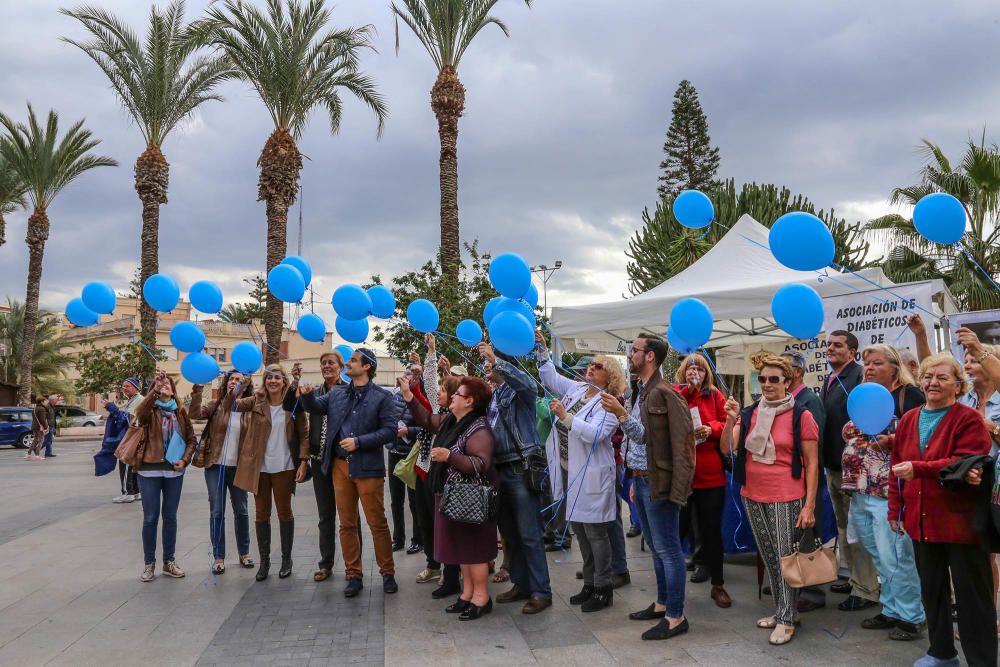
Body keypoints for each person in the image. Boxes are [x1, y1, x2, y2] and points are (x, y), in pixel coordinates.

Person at [889, 353, 996, 667]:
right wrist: (895, 509)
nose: (932, 383)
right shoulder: (909, 418)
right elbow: (897, 465)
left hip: (961, 525)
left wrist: (920, 468)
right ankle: (941, 653)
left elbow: (967, 461)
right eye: (927, 377)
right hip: (921, 523)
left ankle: (982, 661)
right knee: (932, 593)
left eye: (941, 377)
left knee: (973, 601)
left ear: (958, 385)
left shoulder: (968, 419)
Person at [723, 354, 820, 646]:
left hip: (786, 495)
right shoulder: (750, 414)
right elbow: (727, 447)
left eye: (774, 379)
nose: (766, 384)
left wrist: (810, 505)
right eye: (761, 379)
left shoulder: (801, 415)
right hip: (752, 494)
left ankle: (788, 619)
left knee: (785, 559)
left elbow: (813, 463)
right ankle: (783, 612)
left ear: (788, 382)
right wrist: (730, 421)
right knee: (769, 558)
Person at [602, 333, 694, 640]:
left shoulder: (665, 392)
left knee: (669, 549)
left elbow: (672, 442)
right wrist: (633, 474)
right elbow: (635, 443)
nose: (629, 356)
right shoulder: (641, 390)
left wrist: (620, 412)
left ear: (650, 356)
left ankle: (675, 616)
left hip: (658, 481)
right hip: (640, 479)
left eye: (634, 351)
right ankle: (662, 603)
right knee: (656, 548)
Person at [298, 348, 399, 597]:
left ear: (367, 367)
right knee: (346, 524)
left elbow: (390, 431)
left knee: (377, 522)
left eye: (353, 360)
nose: (349, 363)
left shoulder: (383, 397)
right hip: (340, 467)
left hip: (368, 468)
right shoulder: (337, 394)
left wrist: (360, 442)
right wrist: (307, 395)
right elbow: (314, 407)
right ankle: (353, 575)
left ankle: (387, 573)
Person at [841, 344, 926, 640]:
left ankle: (912, 616)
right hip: (861, 490)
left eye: (877, 363)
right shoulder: (864, 397)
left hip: (890, 493)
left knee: (896, 557)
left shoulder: (908, 395)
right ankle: (891, 609)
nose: (871, 368)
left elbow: (918, 438)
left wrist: (892, 438)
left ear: (894, 366)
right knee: (878, 555)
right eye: (867, 363)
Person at [400, 374, 499, 620]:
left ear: (470, 401)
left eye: (458, 394)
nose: (452, 396)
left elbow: (480, 463)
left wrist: (449, 456)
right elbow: (426, 419)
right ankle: (467, 594)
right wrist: (409, 395)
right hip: (453, 497)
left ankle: (481, 598)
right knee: (462, 550)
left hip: (471, 500)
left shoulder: (479, 427)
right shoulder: (451, 420)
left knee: (474, 552)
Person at [536, 334, 622, 612]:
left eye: (598, 366)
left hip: (594, 475)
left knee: (596, 534)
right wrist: (542, 350)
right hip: (571, 472)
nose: (590, 368)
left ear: (609, 377)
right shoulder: (576, 389)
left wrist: (566, 417)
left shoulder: (608, 403)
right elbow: (550, 377)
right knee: (581, 533)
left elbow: (597, 435)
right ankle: (588, 583)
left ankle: (603, 587)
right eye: (591, 364)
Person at [479, 341, 552, 614]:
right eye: (488, 363)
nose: (487, 366)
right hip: (499, 469)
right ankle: (521, 583)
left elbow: (530, 383)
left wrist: (498, 361)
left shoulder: (519, 390)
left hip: (520, 468)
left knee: (530, 533)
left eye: (491, 363)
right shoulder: (495, 394)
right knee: (511, 534)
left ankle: (541, 591)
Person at [226, 364, 309, 581]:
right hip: (259, 468)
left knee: (284, 512)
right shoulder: (256, 400)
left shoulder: (293, 402)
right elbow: (232, 406)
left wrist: (303, 461)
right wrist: (243, 382)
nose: (273, 381)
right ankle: (264, 563)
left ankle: (286, 560)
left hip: (285, 465)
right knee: (261, 514)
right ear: (264, 381)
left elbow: (304, 433)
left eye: (277, 378)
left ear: (284, 381)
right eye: (269, 377)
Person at [822, 330, 879, 611]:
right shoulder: (829, 378)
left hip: (854, 470)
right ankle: (850, 577)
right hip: (832, 467)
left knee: (857, 531)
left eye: (838, 345)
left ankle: (866, 589)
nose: (830, 348)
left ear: (852, 351)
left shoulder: (859, 377)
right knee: (843, 527)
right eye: (829, 344)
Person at [674, 353, 731, 608]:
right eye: (689, 369)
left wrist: (711, 429)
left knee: (711, 531)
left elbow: (727, 422)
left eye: (699, 368)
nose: (694, 372)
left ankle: (718, 585)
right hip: (684, 475)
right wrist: (689, 392)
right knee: (678, 530)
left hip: (710, 473)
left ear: (707, 373)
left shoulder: (715, 395)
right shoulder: (677, 394)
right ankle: (671, 588)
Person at [409, 337, 464, 597]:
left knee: (443, 521)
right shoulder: (437, 407)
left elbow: (430, 384)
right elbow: (431, 384)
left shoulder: (452, 417)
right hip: (423, 467)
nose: (437, 393)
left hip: (443, 473)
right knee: (424, 520)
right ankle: (432, 563)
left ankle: (450, 569)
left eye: (444, 390)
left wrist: (431, 355)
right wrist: (431, 353)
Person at [285, 352, 345, 583]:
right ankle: (326, 564)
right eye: (323, 364)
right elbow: (291, 406)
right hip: (320, 461)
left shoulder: (348, 390)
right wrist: (296, 383)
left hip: (342, 461)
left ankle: (354, 565)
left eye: (331, 363)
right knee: (325, 515)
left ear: (340, 367)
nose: (326, 366)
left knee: (349, 516)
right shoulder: (315, 392)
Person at [189, 372, 256, 574]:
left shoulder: (249, 408)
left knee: (242, 510)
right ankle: (219, 557)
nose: (234, 382)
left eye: (238, 380)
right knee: (217, 511)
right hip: (215, 465)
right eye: (231, 379)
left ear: (246, 385)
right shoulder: (216, 405)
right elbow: (194, 413)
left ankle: (244, 553)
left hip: (238, 467)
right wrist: (198, 390)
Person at [134, 371, 197, 582]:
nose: (166, 387)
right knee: (150, 517)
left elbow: (191, 440)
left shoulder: (180, 411)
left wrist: (185, 460)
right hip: (149, 469)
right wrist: (153, 391)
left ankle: (169, 561)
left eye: (169, 384)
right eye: (162, 385)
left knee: (170, 517)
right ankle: (149, 564)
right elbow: (139, 414)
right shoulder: (149, 410)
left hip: (174, 471)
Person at [779, 351, 827, 613]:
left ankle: (814, 591)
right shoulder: (783, 401)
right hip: (786, 478)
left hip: (805, 478)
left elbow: (813, 447)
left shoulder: (809, 401)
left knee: (808, 534)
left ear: (797, 371)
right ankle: (791, 581)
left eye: (783, 366)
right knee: (790, 535)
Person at [388, 374, 421, 554]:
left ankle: (418, 539)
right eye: (403, 375)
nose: (402, 378)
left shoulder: (419, 400)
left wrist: (408, 431)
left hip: (411, 456)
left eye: (408, 377)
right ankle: (397, 538)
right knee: (396, 501)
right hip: (394, 452)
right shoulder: (394, 398)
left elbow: (426, 427)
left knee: (414, 501)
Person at [109, 377, 144, 502]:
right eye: (123, 386)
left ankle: (127, 492)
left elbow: (126, 418)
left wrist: (110, 407)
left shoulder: (137, 399)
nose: (124, 389)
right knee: (133, 464)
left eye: (127, 386)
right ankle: (135, 492)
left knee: (125, 461)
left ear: (136, 388)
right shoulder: (134, 399)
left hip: (133, 434)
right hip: (136, 434)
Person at [27, 395, 49, 461]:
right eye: (45, 401)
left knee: (35, 440)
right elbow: (42, 419)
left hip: (34, 426)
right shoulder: (42, 409)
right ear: (42, 402)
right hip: (40, 427)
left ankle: (28, 454)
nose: (46, 402)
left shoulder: (35, 408)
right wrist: (46, 427)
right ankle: (37, 455)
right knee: (41, 441)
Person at [43, 393, 61, 457]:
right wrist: (46, 425)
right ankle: (36, 448)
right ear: (51, 400)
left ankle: (48, 453)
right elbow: (44, 417)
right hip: (48, 426)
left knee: (49, 440)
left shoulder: (52, 407)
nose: (57, 401)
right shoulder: (47, 407)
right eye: (56, 400)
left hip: (52, 425)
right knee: (47, 440)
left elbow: (53, 417)